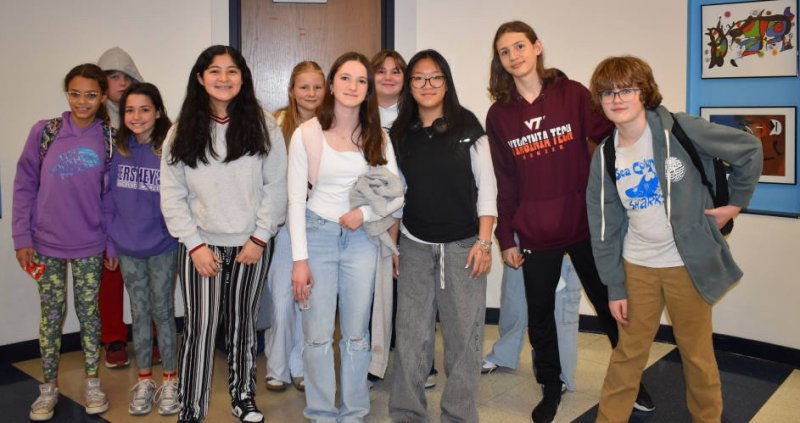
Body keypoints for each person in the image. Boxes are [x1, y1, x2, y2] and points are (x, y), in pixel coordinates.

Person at [485, 21, 653, 423]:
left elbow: (615, 129)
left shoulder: (572, 94)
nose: (514, 56)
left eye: (520, 46)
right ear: (501, 61)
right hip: (535, 233)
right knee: (539, 316)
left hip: (585, 226)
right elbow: (504, 180)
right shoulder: (499, 116)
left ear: (537, 47)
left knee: (613, 305)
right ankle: (550, 385)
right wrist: (504, 235)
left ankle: (632, 381)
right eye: (505, 51)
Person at [587, 55, 762, 423]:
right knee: (627, 355)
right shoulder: (605, 154)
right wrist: (615, 286)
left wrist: (736, 204)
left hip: (687, 265)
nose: (617, 99)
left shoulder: (679, 129)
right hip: (638, 268)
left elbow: (749, 150)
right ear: (599, 100)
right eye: (607, 93)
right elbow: (602, 226)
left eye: (626, 89)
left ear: (643, 92)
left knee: (697, 354)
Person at [160, 45, 287, 423]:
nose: (224, 78)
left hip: (251, 244)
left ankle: (243, 395)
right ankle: (192, 406)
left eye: (232, 71)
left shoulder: (264, 125)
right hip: (201, 247)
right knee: (200, 328)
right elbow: (172, 195)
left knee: (243, 322)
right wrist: (195, 245)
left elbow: (276, 186)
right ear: (201, 78)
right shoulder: (181, 131)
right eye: (215, 71)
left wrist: (260, 237)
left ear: (243, 78)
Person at [288, 51, 403, 422]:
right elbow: (294, 201)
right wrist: (300, 261)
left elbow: (397, 192)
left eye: (361, 81)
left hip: (360, 243)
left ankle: (354, 412)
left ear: (367, 89)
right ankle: (321, 412)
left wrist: (365, 214)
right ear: (332, 84)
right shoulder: (307, 133)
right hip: (316, 236)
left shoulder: (379, 136)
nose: (353, 87)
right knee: (318, 336)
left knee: (356, 336)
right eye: (345, 78)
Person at [388, 49, 497, 423]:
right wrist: (394, 246)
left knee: (464, 340)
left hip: (465, 247)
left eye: (435, 77)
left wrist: (484, 242)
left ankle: (459, 415)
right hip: (415, 245)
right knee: (410, 337)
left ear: (446, 82)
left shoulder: (469, 128)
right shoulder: (401, 135)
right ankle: (406, 412)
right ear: (409, 85)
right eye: (418, 78)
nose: (427, 85)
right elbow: (395, 194)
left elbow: (488, 190)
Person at [13, 63, 112, 421]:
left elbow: (111, 197)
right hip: (45, 243)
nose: (82, 101)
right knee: (50, 317)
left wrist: (111, 245)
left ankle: (91, 381)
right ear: (66, 93)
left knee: (89, 314)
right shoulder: (45, 132)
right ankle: (48, 387)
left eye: (90, 94)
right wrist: (21, 237)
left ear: (102, 96)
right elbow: (24, 186)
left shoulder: (109, 138)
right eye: (75, 93)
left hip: (89, 243)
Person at [104, 82, 180, 416]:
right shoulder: (117, 149)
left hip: (162, 245)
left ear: (158, 112)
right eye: (130, 110)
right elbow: (107, 199)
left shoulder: (171, 149)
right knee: (138, 313)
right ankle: (145, 379)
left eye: (145, 109)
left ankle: (170, 381)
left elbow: (182, 199)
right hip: (126, 245)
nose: (136, 116)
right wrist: (110, 242)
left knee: (162, 312)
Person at [260, 60, 325, 393]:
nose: (311, 93)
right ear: (292, 90)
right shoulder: (278, 123)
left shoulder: (333, 123)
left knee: (307, 298)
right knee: (283, 297)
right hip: (285, 225)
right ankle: (277, 366)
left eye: (317, 86)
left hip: (320, 224)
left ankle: (300, 366)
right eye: (304, 86)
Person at [97, 46, 145, 368]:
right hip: (102, 210)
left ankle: (150, 335)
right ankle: (113, 338)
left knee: (148, 280)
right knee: (110, 276)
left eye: (127, 76)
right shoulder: (93, 122)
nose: (121, 83)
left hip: (139, 210)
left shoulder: (143, 117)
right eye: (113, 77)